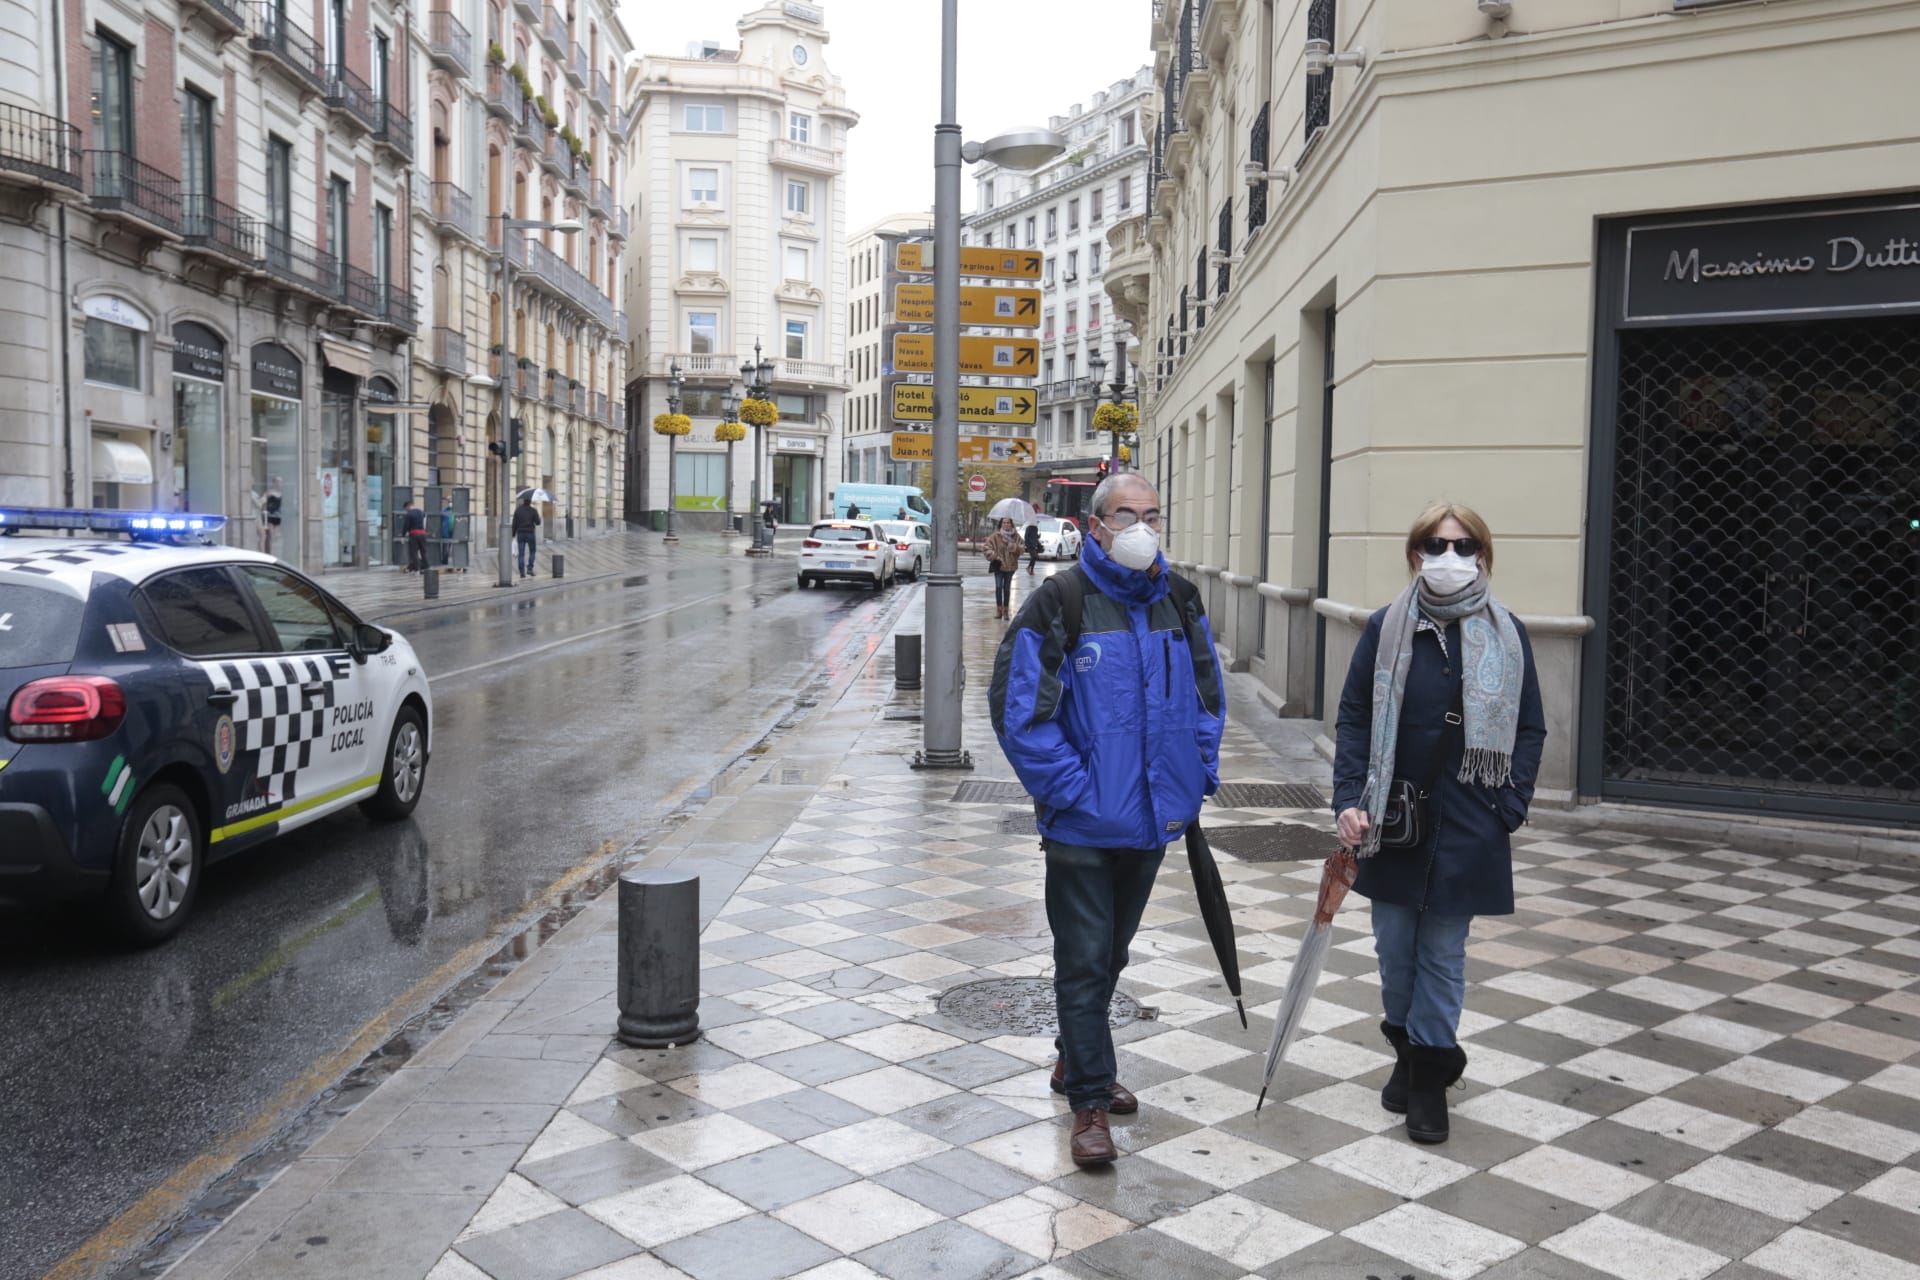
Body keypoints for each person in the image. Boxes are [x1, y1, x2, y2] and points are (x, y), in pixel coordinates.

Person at [990, 475, 1224, 1168]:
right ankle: (1089, 1101)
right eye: (1128, 515)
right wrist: (1074, 793)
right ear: (1096, 526)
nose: (1142, 527)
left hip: (1153, 819)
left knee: (1113, 953)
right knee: (1085, 961)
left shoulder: (1178, 600)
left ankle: (1073, 1058)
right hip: (1083, 826)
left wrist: (1195, 774)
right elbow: (1020, 713)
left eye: (1153, 515)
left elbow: (1208, 697)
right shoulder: (1058, 603)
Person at [1333, 502, 1545, 1146]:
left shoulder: (1507, 633)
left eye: (1461, 545)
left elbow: (1531, 727)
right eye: (1434, 544)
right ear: (1414, 552)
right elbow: (1354, 718)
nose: (1447, 557)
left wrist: (1509, 807)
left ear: (1482, 554)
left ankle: (1429, 1076)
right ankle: (1406, 1048)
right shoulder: (1385, 628)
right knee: (1395, 951)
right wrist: (1349, 797)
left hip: (1468, 821)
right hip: (1394, 819)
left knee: (1443, 955)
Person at [983, 517, 1023, 620]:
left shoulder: (1016, 537)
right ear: (1001, 524)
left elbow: (1022, 549)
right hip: (999, 566)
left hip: (1010, 566)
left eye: (1008, 523)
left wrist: (1013, 547)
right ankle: (998, 610)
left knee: (1006, 588)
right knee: (998, 587)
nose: (1006, 525)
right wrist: (995, 556)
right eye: (1004, 523)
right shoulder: (995, 536)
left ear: (1011, 524)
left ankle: (1006, 611)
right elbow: (986, 548)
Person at [512, 493, 541, 578]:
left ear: (523, 501)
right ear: (530, 501)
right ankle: (530, 568)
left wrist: (513, 534)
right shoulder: (533, 510)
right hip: (530, 533)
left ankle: (522, 572)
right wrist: (538, 516)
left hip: (520, 533)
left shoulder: (518, 510)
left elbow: (514, 524)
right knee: (532, 551)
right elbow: (538, 522)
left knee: (521, 553)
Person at [253, 477, 283, 555]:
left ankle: (271, 551)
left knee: (274, 536)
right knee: (269, 535)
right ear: (273, 483)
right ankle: (269, 553)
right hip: (270, 515)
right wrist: (264, 512)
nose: (279, 484)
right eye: (277, 482)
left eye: (280, 482)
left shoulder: (280, 493)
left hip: (277, 515)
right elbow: (264, 503)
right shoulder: (269, 492)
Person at [402, 500, 429, 572]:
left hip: (414, 534)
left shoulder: (409, 514)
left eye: (406, 509)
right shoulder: (421, 512)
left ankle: (417, 568)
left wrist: (403, 534)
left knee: (414, 552)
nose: (406, 510)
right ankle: (426, 567)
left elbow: (406, 526)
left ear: (407, 506)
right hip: (423, 534)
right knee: (423, 551)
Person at [439, 499, 457, 566]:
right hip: (446, 532)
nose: (450, 503)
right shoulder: (444, 511)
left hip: (454, 531)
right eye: (449, 502)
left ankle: (456, 560)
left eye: (451, 501)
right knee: (445, 547)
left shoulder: (456, 510)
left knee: (450, 546)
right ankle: (444, 560)